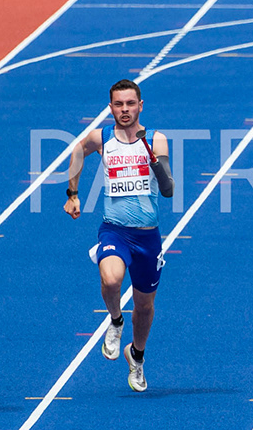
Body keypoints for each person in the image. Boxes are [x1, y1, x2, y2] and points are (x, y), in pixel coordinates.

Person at [63, 79, 174, 393]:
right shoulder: (102, 137)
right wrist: (72, 192)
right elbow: (77, 150)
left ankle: (136, 355)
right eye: (118, 104)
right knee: (111, 280)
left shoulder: (156, 139)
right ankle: (114, 320)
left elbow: (168, 191)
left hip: (148, 237)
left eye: (130, 104)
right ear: (110, 107)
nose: (124, 110)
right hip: (114, 230)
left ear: (140, 106)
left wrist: (153, 159)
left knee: (145, 307)